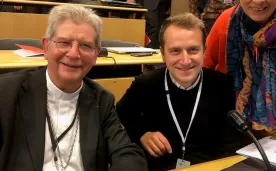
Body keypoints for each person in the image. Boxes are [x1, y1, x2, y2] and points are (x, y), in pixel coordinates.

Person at [0, 4, 148, 171]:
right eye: (64, 43)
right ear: (46, 47)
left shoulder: (102, 100)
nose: (73, 54)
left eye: (85, 46)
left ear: (96, 54)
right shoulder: (6, 92)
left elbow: (129, 156)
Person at [116, 13, 243, 171]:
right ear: (163, 54)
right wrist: (142, 134)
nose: (185, 60)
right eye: (175, 51)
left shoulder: (222, 85)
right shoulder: (145, 84)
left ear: (204, 51)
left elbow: (231, 142)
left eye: (193, 50)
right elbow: (122, 112)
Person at [204, 0, 276, 139]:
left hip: (270, 118)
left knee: (264, 160)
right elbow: (203, 69)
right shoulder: (226, 21)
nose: (258, 1)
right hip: (225, 112)